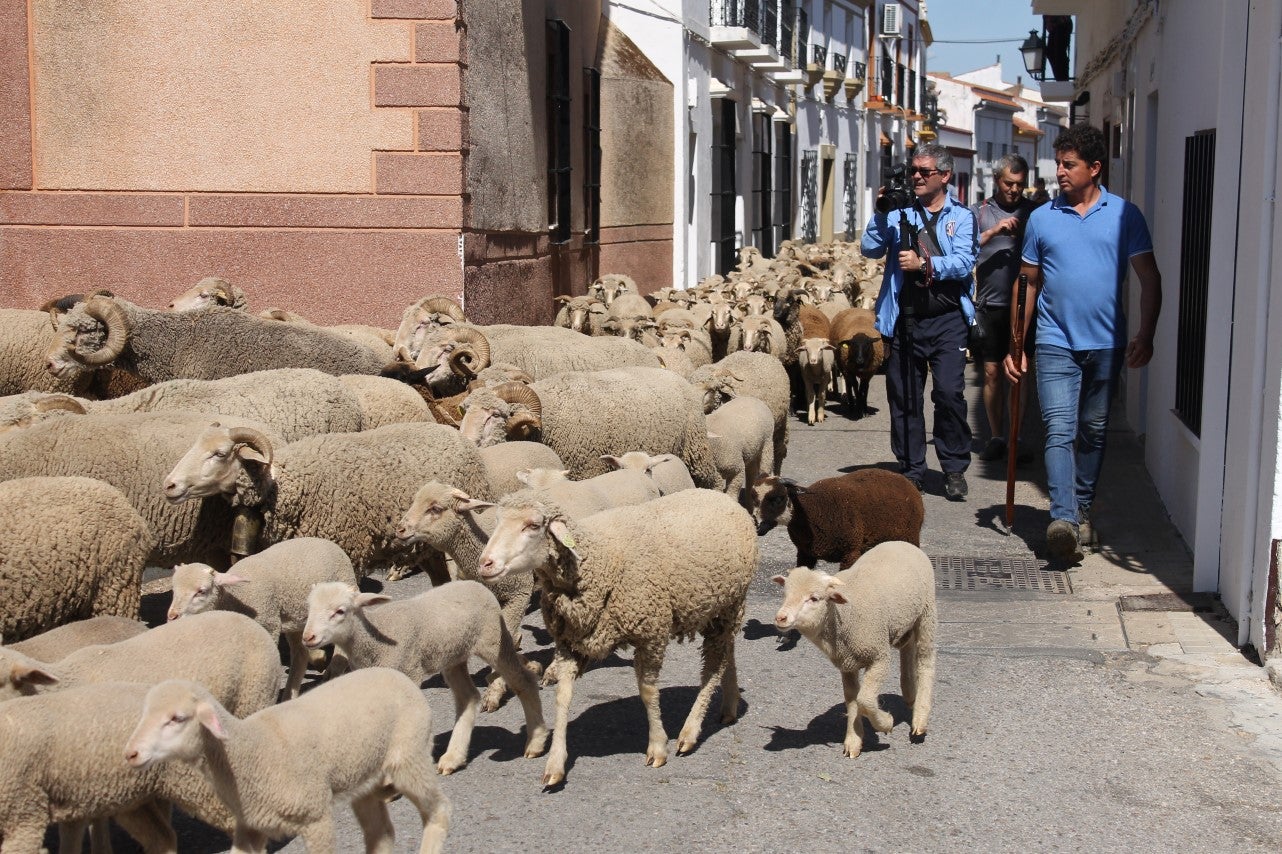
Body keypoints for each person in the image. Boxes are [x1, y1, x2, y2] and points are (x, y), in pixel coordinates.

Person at [1005, 123, 1162, 559]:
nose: (1059, 171)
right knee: (1059, 428)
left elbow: (1149, 278)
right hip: (1055, 341)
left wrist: (1145, 334)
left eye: (1068, 165)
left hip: (1107, 343)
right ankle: (1064, 519)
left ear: (1094, 168)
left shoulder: (1125, 215)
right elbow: (1028, 284)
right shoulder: (1041, 218)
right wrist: (1017, 344)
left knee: (1093, 430)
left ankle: (1082, 508)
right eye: (1058, 163)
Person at [860, 143, 978, 500]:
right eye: (913, 171)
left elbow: (964, 261)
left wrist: (927, 265)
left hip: (946, 319)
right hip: (904, 319)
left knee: (948, 393)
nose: (916, 177)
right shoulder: (898, 211)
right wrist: (881, 212)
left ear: (944, 176)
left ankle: (954, 467)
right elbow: (869, 248)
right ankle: (911, 469)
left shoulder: (962, 216)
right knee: (906, 398)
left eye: (924, 172)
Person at [971, 153, 1035, 463]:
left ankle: (1017, 437)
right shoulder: (979, 212)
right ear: (997, 180)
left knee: (1020, 373)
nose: (1014, 190)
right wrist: (995, 231)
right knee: (993, 372)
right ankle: (996, 436)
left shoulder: (1034, 213)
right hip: (989, 306)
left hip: (1023, 308)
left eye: (1020, 185)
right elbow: (965, 247)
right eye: (1009, 183)